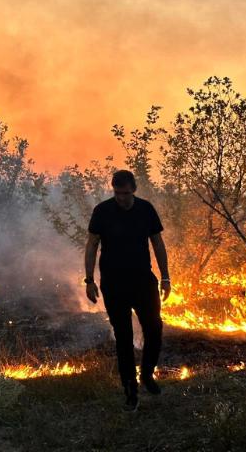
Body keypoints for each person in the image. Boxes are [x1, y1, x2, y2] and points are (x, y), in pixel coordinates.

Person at [85, 169, 171, 412]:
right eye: (117, 192)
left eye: (125, 193)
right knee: (123, 337)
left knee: (154, 328)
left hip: (143, 281)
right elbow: (92, 244)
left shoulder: (145, 209)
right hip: (113, 284)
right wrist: (89, 279)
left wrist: (165, 277)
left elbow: (157, 243)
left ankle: (147, 375)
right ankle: (130, 390)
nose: (121, 197)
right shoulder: (102, 211)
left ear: (133, 189)